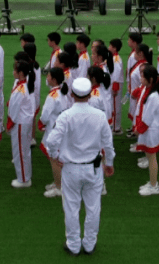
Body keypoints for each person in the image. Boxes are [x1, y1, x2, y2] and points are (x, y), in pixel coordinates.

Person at [44, 77, 116, 256]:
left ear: (72, 95)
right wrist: (110, 163)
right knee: (93, 207)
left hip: (71, 168)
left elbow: (51, 141)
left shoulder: (66, 115)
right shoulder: (99, 116)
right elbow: (108, 143)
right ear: (90, 94)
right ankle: (89, 244)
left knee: (71, 207)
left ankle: (74, 244)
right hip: (93, 168)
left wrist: (55, 156)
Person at [134, 65, 159, 195]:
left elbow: (147, 117)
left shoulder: (153, 96)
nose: (140, 78)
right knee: (149, 156)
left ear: (150, 80)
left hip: (150, 130)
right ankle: (152, 182)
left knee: (152, 158)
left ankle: (154, 185)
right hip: (146, 129)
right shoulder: (147, 90)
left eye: (143, 76)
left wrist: (138, 129)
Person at [8, 58, 38, 189]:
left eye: (15, 70)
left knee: (19, 151)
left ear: (21, 73)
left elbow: (14, 109)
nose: (13, 72)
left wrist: (9, 123)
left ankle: (24, 179)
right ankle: (26, 176)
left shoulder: (21, 88)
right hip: (24, 122)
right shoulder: (25, 85)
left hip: (20, 123)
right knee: (24, 150)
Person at [40, 68, 70, 198]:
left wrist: (41, 123)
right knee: (57, 158)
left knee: (54, 159)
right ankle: (59, 182)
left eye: (49, 76)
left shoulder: (53, 96)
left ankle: (59, 187)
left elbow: (45, 115)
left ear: (53, 79)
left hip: (54, 130)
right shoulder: (63, 92)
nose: (47, 78)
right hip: (61, 129)